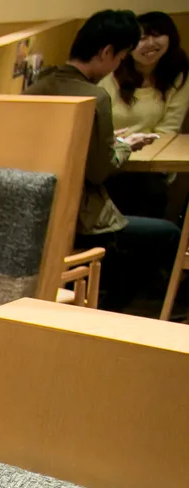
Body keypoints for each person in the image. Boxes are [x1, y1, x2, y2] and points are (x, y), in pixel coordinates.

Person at [26, 10, 181, 311]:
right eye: (121, 57)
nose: (119, 65)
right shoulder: (94, 97)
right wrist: (124, 146)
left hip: (38, 205)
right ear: (107, 52)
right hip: (78, 217)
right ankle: (111, 309)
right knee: (168, 235)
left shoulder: (36, 87)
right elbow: (99, 171)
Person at [103, 11, 189, 217]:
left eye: (157, 35)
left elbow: (169, 129)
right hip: (110, 162)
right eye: (142, 38)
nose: (150, 43)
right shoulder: (110, 71)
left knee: (149, 193)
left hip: (150, 170)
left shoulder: (179, 75)